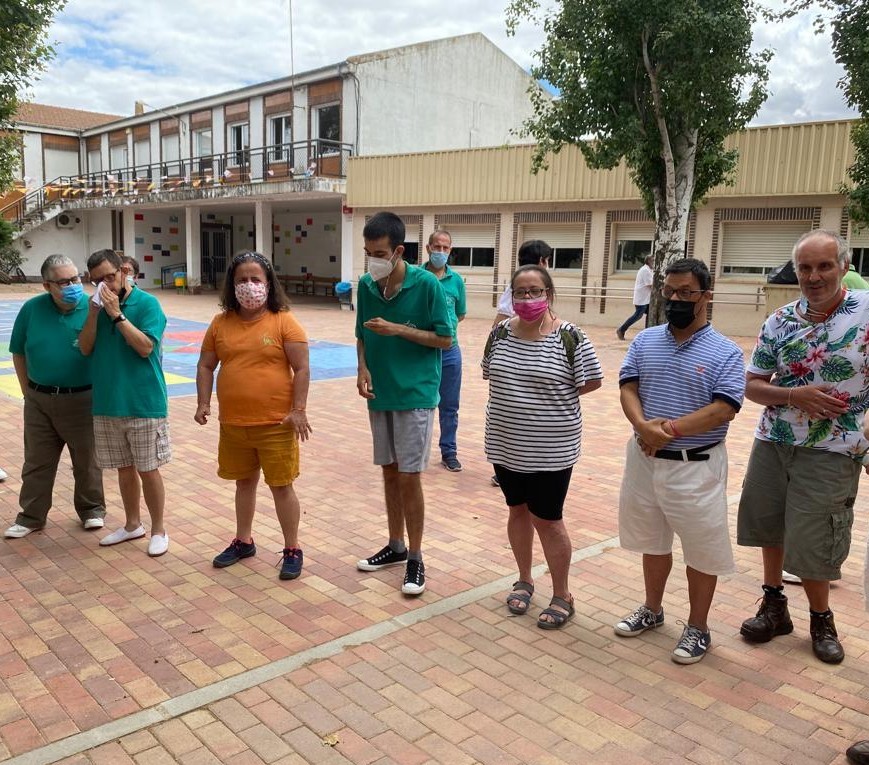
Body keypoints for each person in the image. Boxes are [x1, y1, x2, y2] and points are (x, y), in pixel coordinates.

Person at [737, 229, 869, 664]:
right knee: (769, 527)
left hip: (835, 447)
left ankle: (821, 618)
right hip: (774, 441)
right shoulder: (779, 321)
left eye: (824, 266)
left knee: (814, 538)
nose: (814, 276)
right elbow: (752, 385)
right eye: (805, 267)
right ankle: (774, 607)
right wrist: (796, 396)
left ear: (844, 268)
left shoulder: (866, 315)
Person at [614, 258, 744, 664]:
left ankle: (698, 627)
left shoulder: (726, 351)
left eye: (686, 293)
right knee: (652, 541)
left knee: (701, 549)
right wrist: (641, 426)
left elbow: (723, 409)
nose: (675, 300)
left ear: (706, 296)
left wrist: (663, 431)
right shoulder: (645, 340)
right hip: (645, 461)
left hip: (695, 465)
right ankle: (652, 609)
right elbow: (628, 387)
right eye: (669, 292)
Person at [483, 264, 602, 629]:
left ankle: (562, 594)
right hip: (505, 444)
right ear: (511, 296)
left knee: (548, 521)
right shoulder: (500, 333)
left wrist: (548, 404)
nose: (528, 298)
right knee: (517, 511)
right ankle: (524, 578)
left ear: (549, 295)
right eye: (521, 291)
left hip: (551, 450)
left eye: (536, 291)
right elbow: (489, 372)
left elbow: (591, 381)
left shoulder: (570, 337)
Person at [195, 251, 311, 580]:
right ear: (231, 286)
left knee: (281, 486)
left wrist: (298, 410)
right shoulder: (220, 323)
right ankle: (243, 541)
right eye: (241, 280)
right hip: (234, 424)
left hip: (276, 424)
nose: (249, 286)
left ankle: (292, 547)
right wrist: (203, 403)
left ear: (268, 284)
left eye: (255, 280)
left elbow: (301, 368)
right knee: (243, 484)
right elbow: (206, 365)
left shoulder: (284, 321)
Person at [355, 211, 452, 596]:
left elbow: (445, 340)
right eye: (367, 252)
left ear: (398, 251)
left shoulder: (428, 285)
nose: (372, 260)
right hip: (381, 393)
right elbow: (361, 334)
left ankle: (415, 556)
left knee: (410, 476)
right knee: (390, 471)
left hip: (415, 393)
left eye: (379, 252)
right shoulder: (366, 285)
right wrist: (362, 368)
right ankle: (395, 546)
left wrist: (397, 329)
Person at [5, 254, 105, 538]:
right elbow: (18, 351)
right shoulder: (32, 309)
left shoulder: (93, 307)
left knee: (87, 460)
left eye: (75, 278)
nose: (73, 285)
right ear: (47, 286)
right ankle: (31, 516)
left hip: (83, 398)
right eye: (63, 281)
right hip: (39, 399)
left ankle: (92, 509)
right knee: (37, 461)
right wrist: (28, 393)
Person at [79, 248, 170, 556]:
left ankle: (158, 529)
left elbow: (145, 347)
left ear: (123, 272)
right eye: (96, 280)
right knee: (123, 468)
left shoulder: (147, 304)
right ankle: (133, 524)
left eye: (109, 276)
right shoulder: (95, 307)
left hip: (143, 401)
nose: (104, 284)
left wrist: (117, 314)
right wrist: (94, 313)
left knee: (148, 468)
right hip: (107, 401)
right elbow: (86, 347)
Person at [490, 239, 553, 487]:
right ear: (541, 261)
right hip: (517, 363)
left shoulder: (533, 286)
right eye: (547, 260)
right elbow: (499, 323)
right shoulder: (518, 289)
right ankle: (507, 466)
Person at [423, 229, 466, 472]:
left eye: (445, 248)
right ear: (428, 248)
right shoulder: (416, 277)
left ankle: (449, 451)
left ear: (450, 250)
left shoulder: (456, 281)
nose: (440, 252)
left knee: (449, 405)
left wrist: (443, 333)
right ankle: (417, 451)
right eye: (436, 247)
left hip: (449, 352)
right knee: (421, 403)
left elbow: (459, 314)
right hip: (422, 351)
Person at [616, 255, 653, 340]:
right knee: (638, 316)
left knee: (651, 314)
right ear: (648, 262)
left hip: (646, 299)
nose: (654, 263)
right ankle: (621, 329)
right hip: (642, 299)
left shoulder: (649, 270)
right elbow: (650, 284)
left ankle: (648, 333)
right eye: (652, 261)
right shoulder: (645, 270)